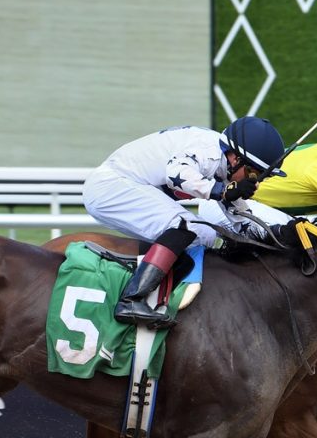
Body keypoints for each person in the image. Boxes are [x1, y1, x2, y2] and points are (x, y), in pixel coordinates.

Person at [83, 116, 285, 328]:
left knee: (205, 235)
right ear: (236, 158)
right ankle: (131, 300)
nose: (255, 182)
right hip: (110, 186)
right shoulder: (209, 152)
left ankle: (160, 295)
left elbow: (243, 223)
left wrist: (280, 233)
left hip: (125, 186)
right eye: (254, 174)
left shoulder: (224, 167)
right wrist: (222, 192)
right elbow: (176, 173)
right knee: (187, 226)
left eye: (262, 178)